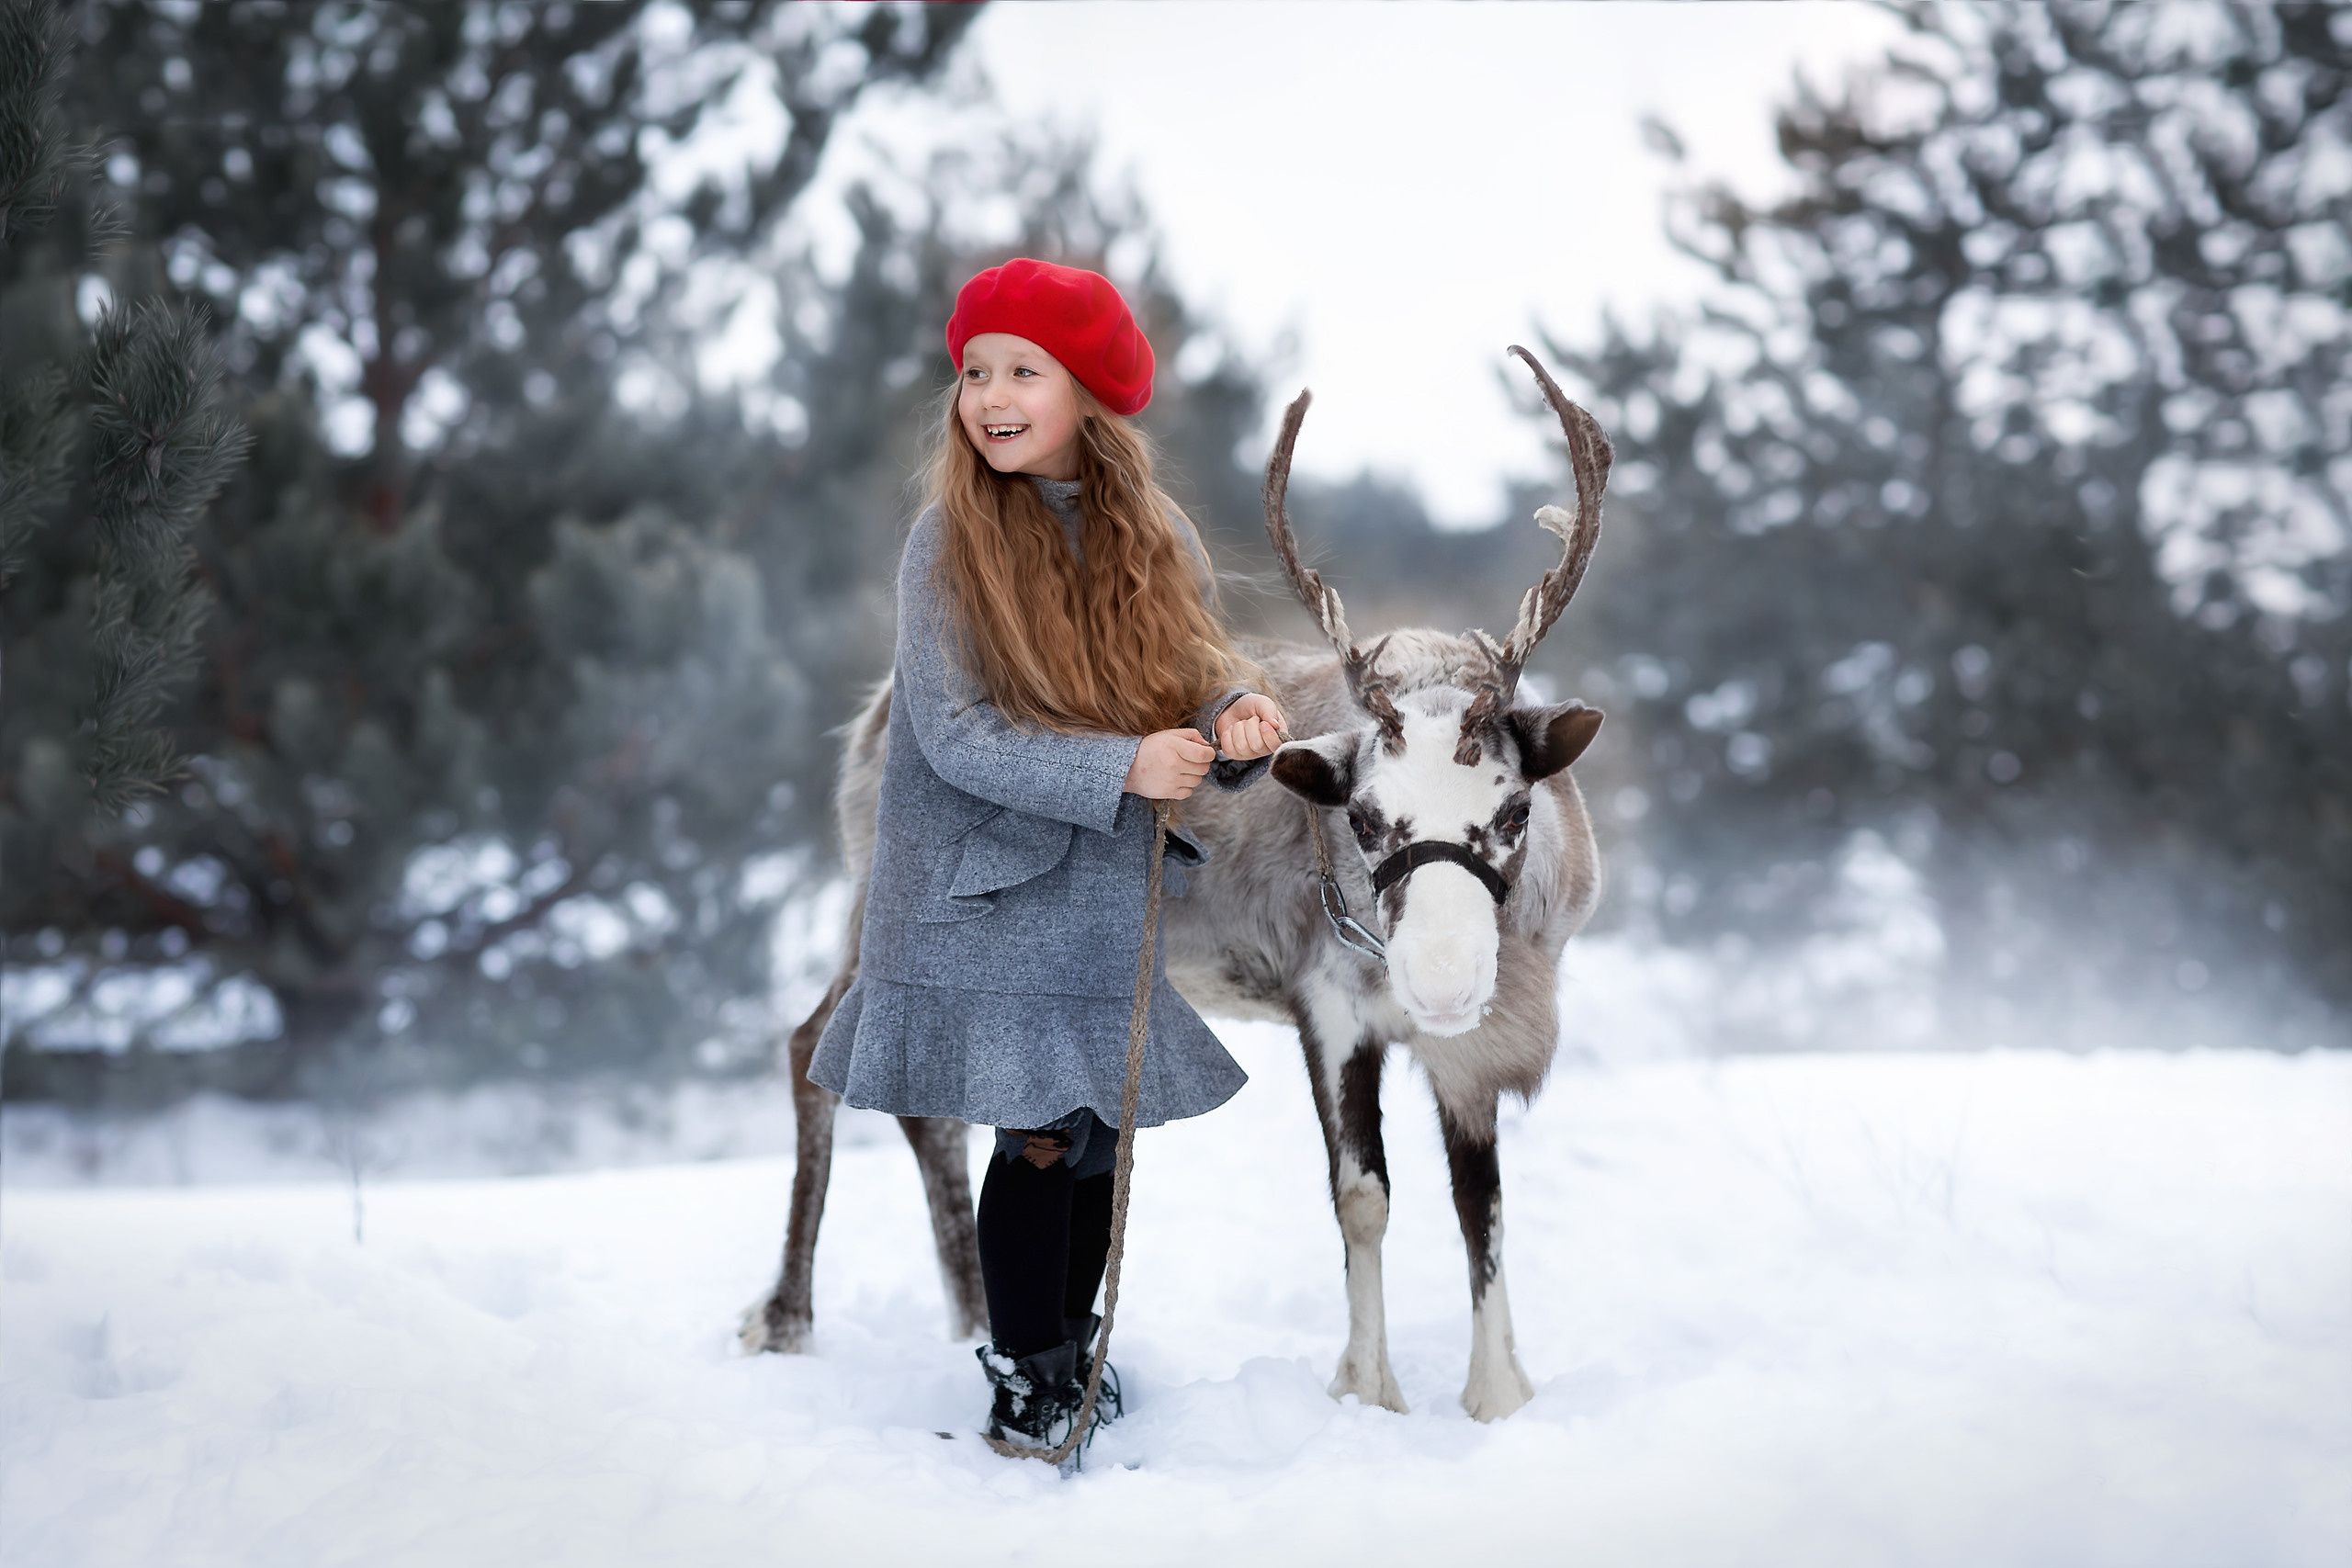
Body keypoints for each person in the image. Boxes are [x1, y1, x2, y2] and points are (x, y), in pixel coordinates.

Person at [807, 258, 1286, 1450]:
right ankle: (1028, 1380)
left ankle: (1071, 1354)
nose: (991, 393)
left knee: (1093, 1130)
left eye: (1024, 370)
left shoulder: (1152, 530)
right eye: (975, 371)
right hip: (978, 882)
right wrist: (1121, 768)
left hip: (1098, 885)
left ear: (1086, 392)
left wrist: (1236, 717)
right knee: (1037, 1131)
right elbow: (955, 735)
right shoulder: (947, 544)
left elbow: (1188, 667)